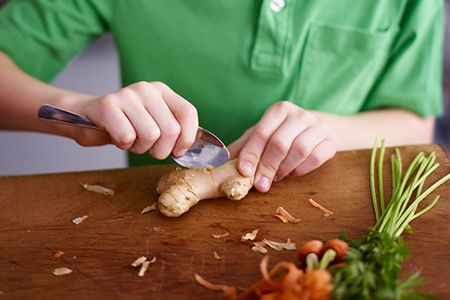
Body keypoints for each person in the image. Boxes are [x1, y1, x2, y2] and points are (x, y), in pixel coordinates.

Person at [0, 0, 443, 193]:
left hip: (338, 232)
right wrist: (74, 108)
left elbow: (415, 124)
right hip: (155, 233)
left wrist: (329, 131)